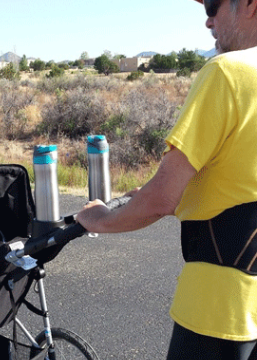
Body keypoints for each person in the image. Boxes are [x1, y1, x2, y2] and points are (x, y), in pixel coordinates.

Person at [76, 0, 257, 358]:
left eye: (214, 4)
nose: (207, 19)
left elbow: (162, 198)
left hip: (220, 307)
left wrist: (99, 219)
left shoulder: (227, 72)